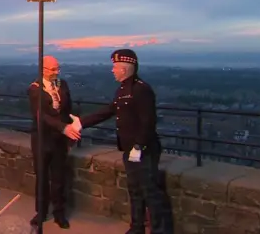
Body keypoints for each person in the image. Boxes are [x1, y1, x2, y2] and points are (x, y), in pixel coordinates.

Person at [70, 49, 173, 234]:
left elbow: (148, 121)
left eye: (115, 67)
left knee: (150, 192)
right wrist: (81, 122)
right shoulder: (123, 89)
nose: (112, 70)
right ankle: (137, 227)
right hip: (130, 150)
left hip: (143, 151)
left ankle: (161, 231)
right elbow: (109, 110)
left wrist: (139, 146)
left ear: (124, 69)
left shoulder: (141, 89)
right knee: (135, 190)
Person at [27, 55, 79, 229]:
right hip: (42, 139)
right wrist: (62, 127)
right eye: (53, 69)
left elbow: (68, 108)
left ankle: (59, 213)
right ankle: (41, 212)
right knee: (42, 176)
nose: (57, 72)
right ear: (43, 69)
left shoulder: (62, 85)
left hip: (59, 140)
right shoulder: (34, 89)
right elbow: (41, 116)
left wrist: (71, 127)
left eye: (58, 68)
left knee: (59, 177)